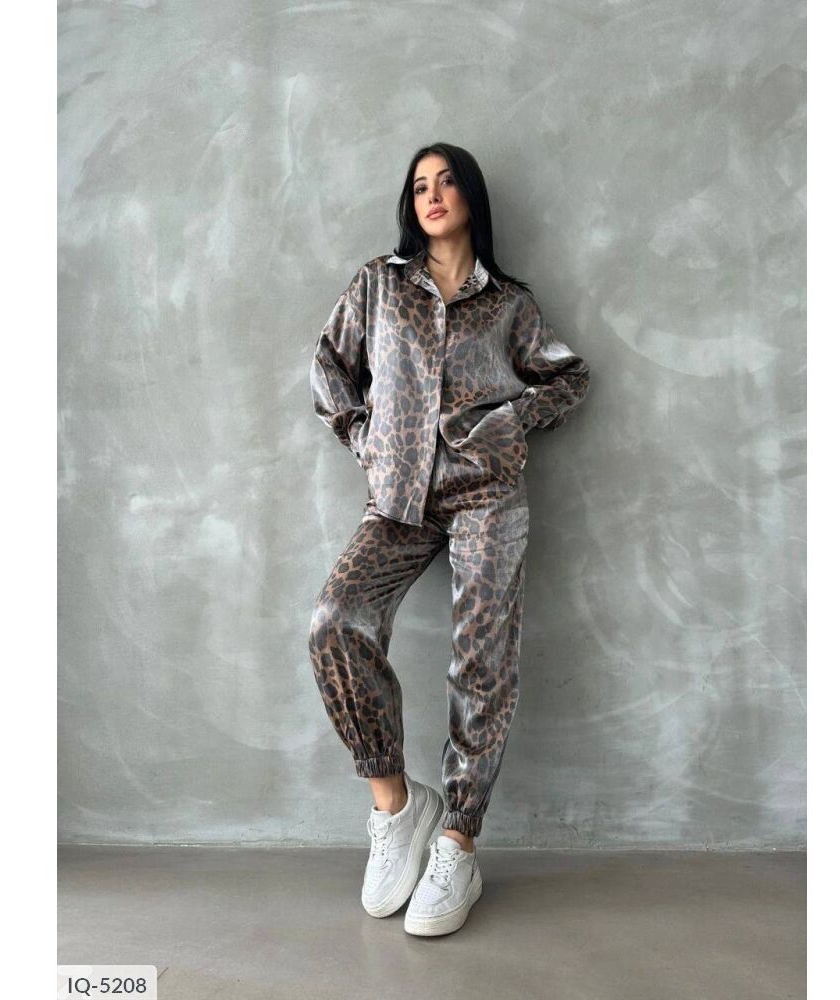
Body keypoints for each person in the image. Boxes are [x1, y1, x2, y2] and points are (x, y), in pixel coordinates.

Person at [307, 142, 591, 936]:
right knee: (334, 622)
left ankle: (458, 842)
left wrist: (510, 421)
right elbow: (329, 366)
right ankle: (397, 808)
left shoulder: (509, 304)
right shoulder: (379, 283)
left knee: (481, 660)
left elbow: (569, 376)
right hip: (397, 500)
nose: (431, 195)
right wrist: (364, 437)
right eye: (418, 186)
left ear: (469, 195)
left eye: (446, 182)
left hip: (486, 496)